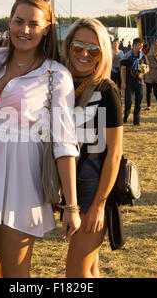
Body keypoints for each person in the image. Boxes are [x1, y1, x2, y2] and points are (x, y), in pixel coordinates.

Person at [0, 0, 81, 278]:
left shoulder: (56, 75)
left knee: (15, 272)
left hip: (22, 175)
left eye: (34, 24)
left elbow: (65, 141)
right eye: (18, 21)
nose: (25, 30)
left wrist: (71, 205)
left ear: (46, 29)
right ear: (9, 22)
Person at [61, 18, 123, 278]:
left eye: (93, 49)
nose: (84, 54)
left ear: (103, 53)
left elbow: (115, 153)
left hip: (91, 183)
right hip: (67, 181)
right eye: (77, 47)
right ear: (68, 48)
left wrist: (100, 203)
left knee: (76, 271)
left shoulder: (107, 90)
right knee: (90, 267)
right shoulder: (60, 82)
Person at [120, 38, 149, 126]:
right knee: (128, 101)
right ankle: (126, 115)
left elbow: (148, 67)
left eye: (141, 45)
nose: (140, 47)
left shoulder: (143, 56)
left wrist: (144, 71)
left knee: (138, 102)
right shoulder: (127, 56)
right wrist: (123, 82)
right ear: (133, 45)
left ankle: (136, 120)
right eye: (138, 45)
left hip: (139, 81)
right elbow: (122, 70)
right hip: (129, 82)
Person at [144, 42, 157, 112]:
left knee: (148, 92)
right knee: (156, 92)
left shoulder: (147, 56)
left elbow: (146, 65)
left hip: (149, 76)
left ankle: (148, 106)